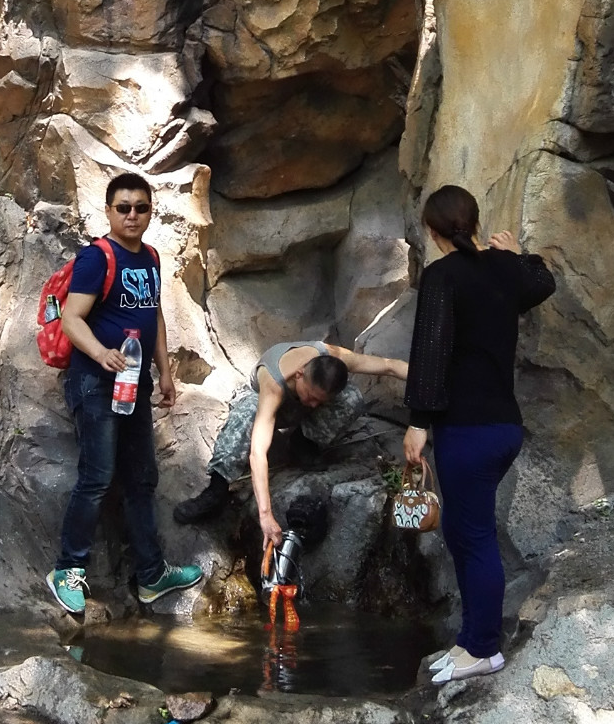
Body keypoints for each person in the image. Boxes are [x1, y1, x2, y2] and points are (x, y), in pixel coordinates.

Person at [403, 184, 556, 686]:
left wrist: (417, 423)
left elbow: (430, 353)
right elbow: (542, 282)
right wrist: (516, 254)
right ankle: (470, 641)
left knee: (474, 538)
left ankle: (485, 648)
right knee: (463, 535)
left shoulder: (442, 276)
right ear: (474, 222)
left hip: (467, 431)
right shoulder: (504, 269)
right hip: (503, 427)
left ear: (432, 231)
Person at [47, 173, 203, 617]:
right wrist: (102, 354)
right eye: (123, 207)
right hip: (95, 381)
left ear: (150, 211)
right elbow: (73, 318)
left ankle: (151, 576)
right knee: (96, 477)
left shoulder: (151, 257)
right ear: (109, 211)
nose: (132, 215)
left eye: (141, 207)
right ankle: (67, 569)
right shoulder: (97, 257)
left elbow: (153, 314)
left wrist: (166, 372)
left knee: (141, 478)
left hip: (136, 383)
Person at [174, 338, 409, 530]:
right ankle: (216, 490)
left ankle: (304, 443)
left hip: (296, 409)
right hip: (267, 405)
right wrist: (266, 516)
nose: (314, 405)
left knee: (352, 398)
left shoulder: (332, 356)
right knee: (246, 413)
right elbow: (258, 452)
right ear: (299, 374)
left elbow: (389, 365)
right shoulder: (274, 382)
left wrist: (431, 384)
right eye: (312, 396)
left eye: (320, 401)